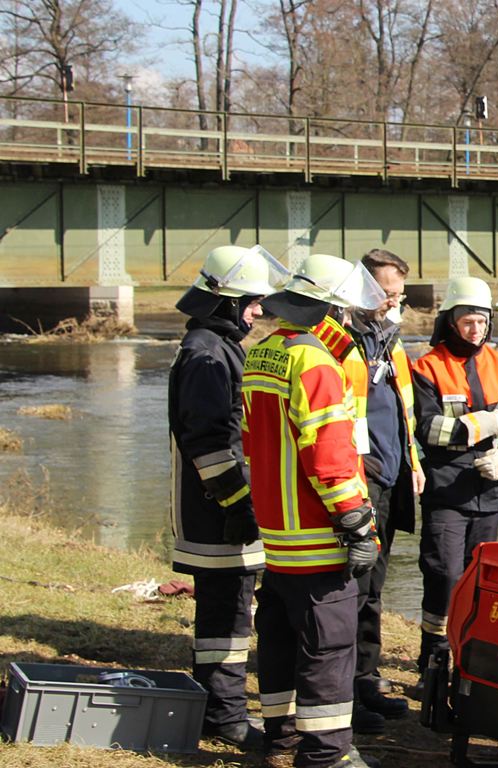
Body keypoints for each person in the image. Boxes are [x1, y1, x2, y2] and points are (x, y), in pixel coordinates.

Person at [242, 253, 387, 768]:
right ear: (325, 311)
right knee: (329, 646)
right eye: (343, 312)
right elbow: (331, 459)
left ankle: (279, 737)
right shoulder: (316, 363)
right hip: (317, 537)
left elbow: (250, 441)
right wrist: (357, 522)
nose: (347, 322)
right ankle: (327, 753)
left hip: (276, 536)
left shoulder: (262, 353)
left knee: (279, 639)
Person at [169, 244, 288, 751]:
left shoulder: (215, 346)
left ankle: (220, 708)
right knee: (227, 617)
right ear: (225, 302)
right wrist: (239, 506)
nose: (258, 310)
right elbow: (210, 443)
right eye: (251, 301)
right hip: (217, 512)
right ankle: (224, 716)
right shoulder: (208, 354)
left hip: (219, 508)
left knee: (228, 613)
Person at [411, 276, 498, 672]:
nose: (475, 330)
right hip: (447, 491)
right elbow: (426, 428)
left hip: (492, 491)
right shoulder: (428, 367)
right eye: (467, 321)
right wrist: (481, 425)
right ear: (451, 320)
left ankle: (470, 661)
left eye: (481, 322)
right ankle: (433, 658)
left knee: (483, 582)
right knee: (444, 574)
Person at [346, 249, 424, 730]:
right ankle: (344, 695)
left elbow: (402, 411)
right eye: (387, 294)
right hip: (360, 480)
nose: (394, 302)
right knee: (350, 590)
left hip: (392, 479)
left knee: (373, 589)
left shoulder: (389, 340)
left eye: (399, 295)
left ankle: (365, 681)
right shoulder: (344, 341)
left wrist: (413, 464)